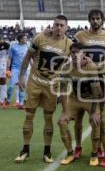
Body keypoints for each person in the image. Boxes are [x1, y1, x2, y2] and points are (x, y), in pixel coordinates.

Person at [15, 15, 73, 163]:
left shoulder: (69, 45)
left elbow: (69, 68)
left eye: (62, 25)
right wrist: (21, 77)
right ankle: (25, 150)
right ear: (52, 25)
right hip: (34, 82)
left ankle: (47, 152)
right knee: (29, 116)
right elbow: (28, 57)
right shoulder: (40, 38)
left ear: (66, 28)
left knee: (48, 118)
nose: (59, 27)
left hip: (52, 86)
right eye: (56, 24)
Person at [72, 9, 105, 159]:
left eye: (98, 18)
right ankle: (78, 146)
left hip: (100, 78)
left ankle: (99, 147)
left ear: (103, 20)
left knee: (98, 115)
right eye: (93, 18)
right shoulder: (80, 35)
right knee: (78, 117)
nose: (95, 21)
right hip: (83, 79)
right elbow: (72, 52)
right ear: (89, 20)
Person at [58, 42, 102, 166]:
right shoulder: (66, 67)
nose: (76, 54)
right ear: (70, 54)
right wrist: (65, 110)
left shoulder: (91, 67)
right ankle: (71, 152)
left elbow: (96, 92)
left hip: (90, 99)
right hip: (75, 98)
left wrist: (93, 112)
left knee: (95, 121)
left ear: (84, 54)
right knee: (62, 121)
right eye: (73, 52)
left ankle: (94, 154)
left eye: (79, 52)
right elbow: (62, 89)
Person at [6, 33, 29, 109]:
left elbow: (30, 58)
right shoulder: (13, 47)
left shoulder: (27, 46)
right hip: (15, 68)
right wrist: (7, 68)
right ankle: (8, 100)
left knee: (21, 86)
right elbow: (9, 58)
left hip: (24, 69)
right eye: (25, 38)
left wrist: (33, 66)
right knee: (11, 86)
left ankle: (21, 104)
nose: (26, 39)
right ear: (21, 39)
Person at [0, 35, 10, 108]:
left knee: (3, 81)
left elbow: (8, 47)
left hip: (2, 65)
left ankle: (3, 99)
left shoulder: (5, 45)